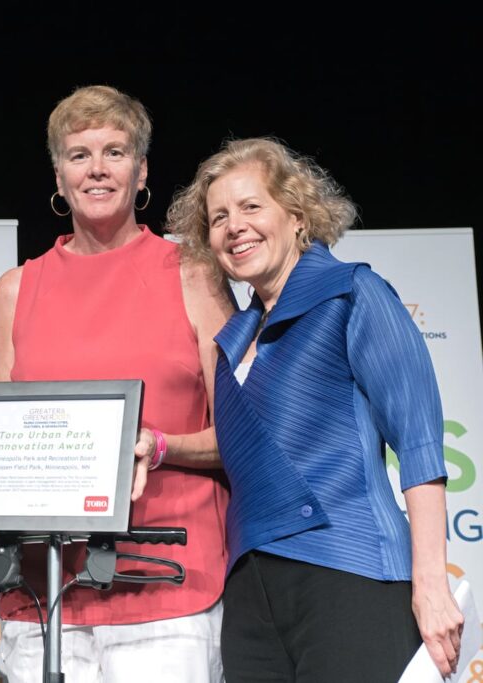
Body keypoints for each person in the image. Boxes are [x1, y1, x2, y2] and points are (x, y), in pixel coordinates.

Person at [166, 137, 464, 682]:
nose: (235, 226)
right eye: (219, 217)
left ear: (297, 215)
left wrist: (431, 584)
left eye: (251, 206)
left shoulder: (352, 293)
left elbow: (419, 445)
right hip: (250, 597)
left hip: (351, 571)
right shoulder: (230, 342)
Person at [0, 85, 233, 682]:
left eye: (115, 152)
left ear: (141, 170)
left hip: (167, 583)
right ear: (59, 175)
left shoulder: (193, 275)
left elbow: (241, 436)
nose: (97, 169)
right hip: (44, 594)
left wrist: (162, 444)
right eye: (79, 155)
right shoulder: (15, 290)